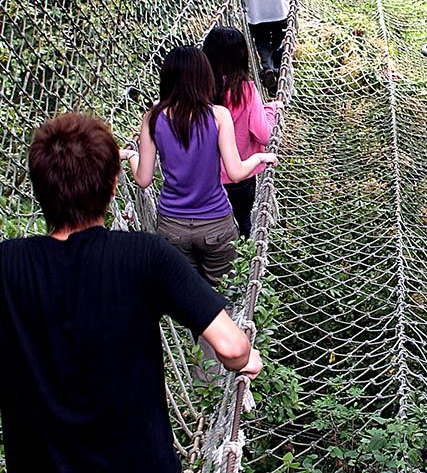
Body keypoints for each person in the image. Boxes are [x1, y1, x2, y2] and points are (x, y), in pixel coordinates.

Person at [0, 112, 262, 472]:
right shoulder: (144, 255)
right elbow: (232, 346)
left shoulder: (8, 264)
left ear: (39, 187)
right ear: (112, 184)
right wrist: (245, 360)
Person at [123, 46, 276, 283]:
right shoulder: (218, 116)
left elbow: (143, 180)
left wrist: (133, 157)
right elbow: (235, 173)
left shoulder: (153, 118)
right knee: (226, 294)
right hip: (215, 223)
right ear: (205, 77)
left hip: (172, 226)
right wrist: (258, 158)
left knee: (188, 299)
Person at [203, 26, 282, 239]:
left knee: (213, 229)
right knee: (243, 221)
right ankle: (245, 262)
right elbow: (264, 134)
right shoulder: (245, 91)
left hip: (203, 178)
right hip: (240, 175)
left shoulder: (197, 90)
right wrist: (270, 110)